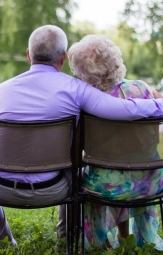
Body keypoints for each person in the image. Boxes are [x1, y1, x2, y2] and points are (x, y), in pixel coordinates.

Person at [0, 25, 163, 247]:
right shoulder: (76, 89)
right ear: (62, 58)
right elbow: (124, 109)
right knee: (74, 169)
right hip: (55, 188)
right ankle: (65, 236)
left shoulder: (2, 89)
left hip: (1, 188)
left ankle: (5, 240)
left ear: (28, 54)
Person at [67, 34, 163, 250]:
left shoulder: (86, 103)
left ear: (83, 71)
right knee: (122, 168)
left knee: (106, 171)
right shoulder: (142, 89)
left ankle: (103, 240)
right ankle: (126, 237)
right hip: (149, 181)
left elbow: (78, 150)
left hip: (106, 187)